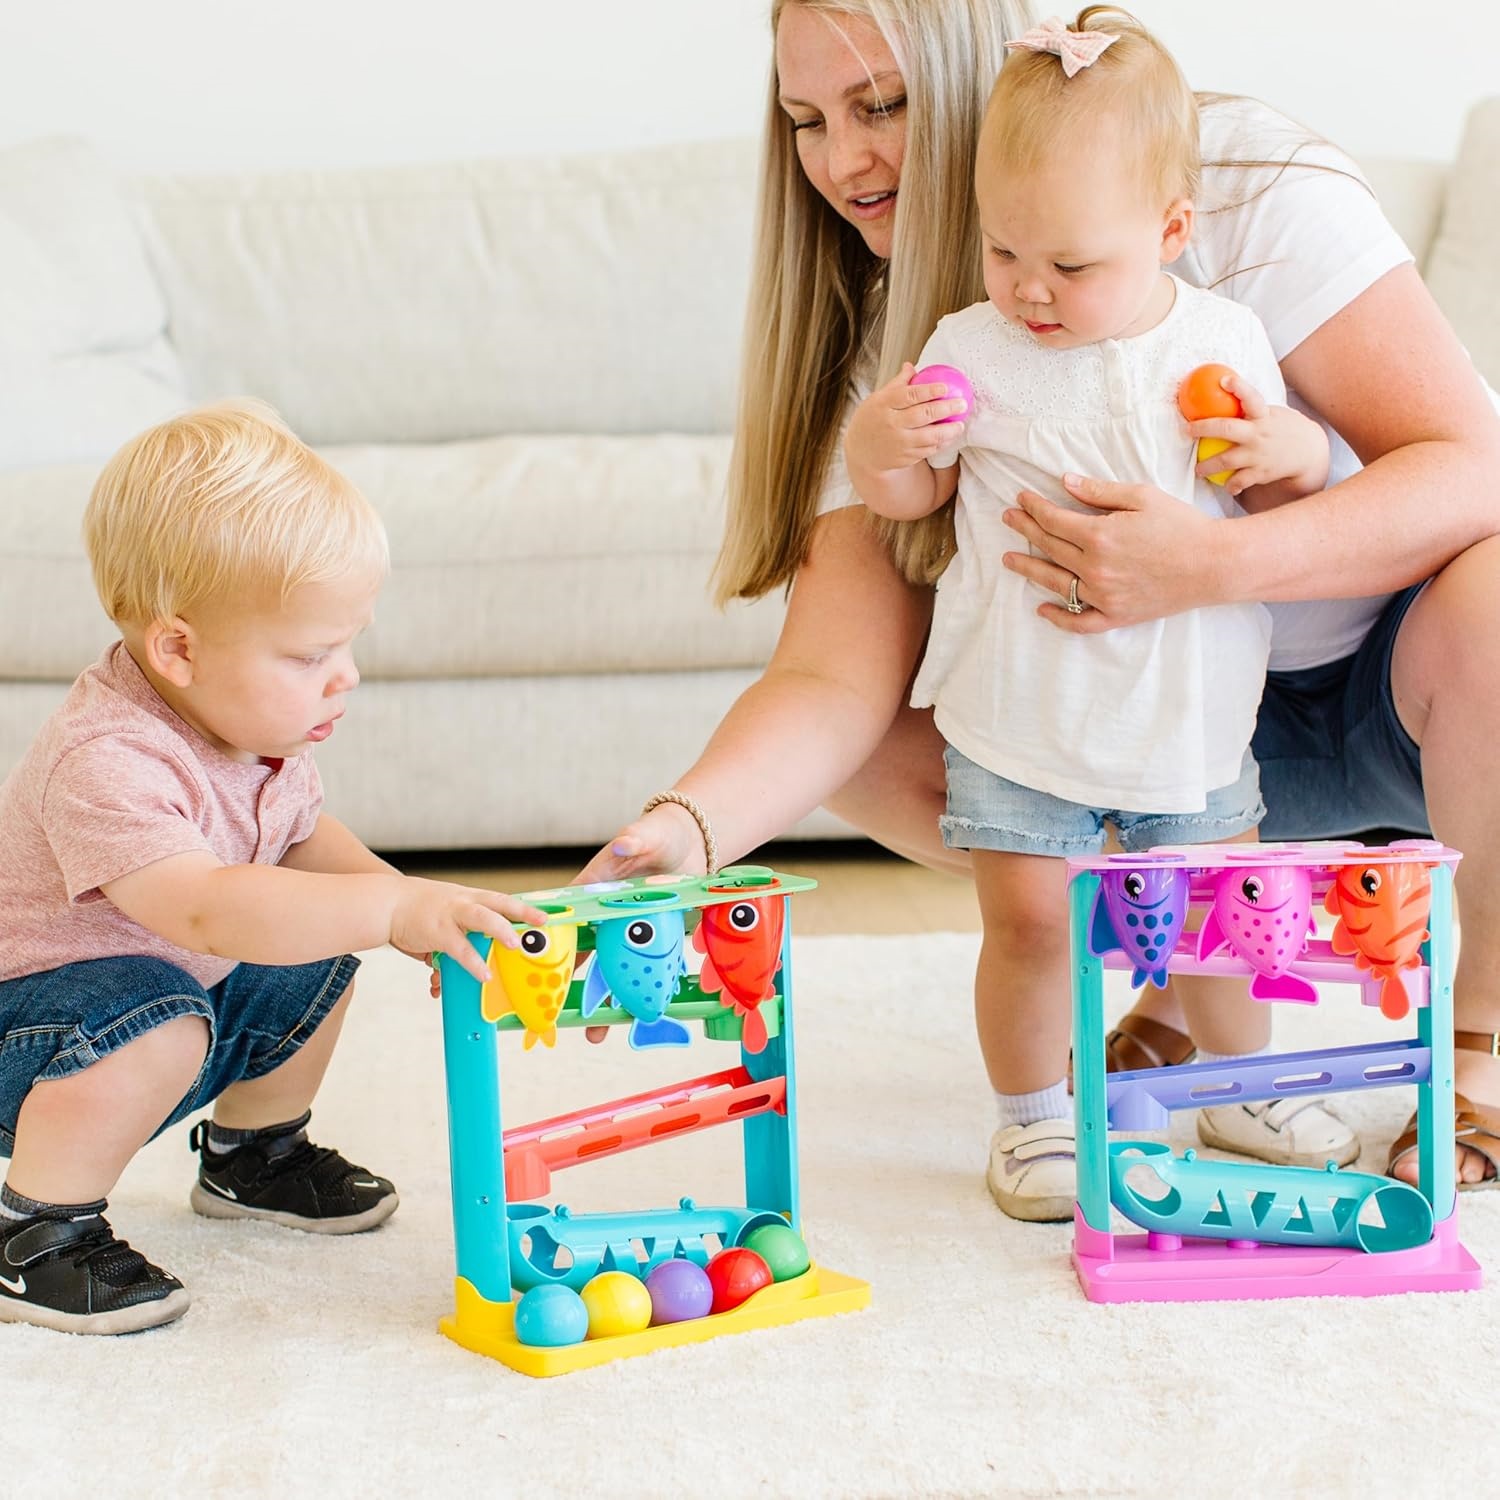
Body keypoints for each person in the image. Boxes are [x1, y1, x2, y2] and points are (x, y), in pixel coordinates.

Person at [582, 0, 1500, 1199]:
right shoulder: (934, 343)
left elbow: (1471, 470)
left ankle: (1484, 1033)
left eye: (884, 106)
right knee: (865, 753)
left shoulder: (1238, 192)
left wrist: (1209, 560)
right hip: (1137, 728)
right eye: (806, 119)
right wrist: (684, 835)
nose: (842, 162)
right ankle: (1072, 1063)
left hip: (1384, 697)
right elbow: (828, 680)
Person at [841, 12, 1339, 1219]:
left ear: (1170, 231)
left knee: (1225, 919)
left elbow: (1277, 495)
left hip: (1187, 709)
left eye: (1070, 265)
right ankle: (1032, 1117)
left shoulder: (1222, 340)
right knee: (1025, 924)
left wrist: (1297, 450)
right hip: (1024, 709)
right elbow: (916, 494)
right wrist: (882, 448)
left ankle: (1239, 1084)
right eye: (1005, 251)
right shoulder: (972, 345)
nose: (1029, 289)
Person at [0, 403, 546, 1335]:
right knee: (167, 1019)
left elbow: (300, 843)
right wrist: (385, 909)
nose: (347, 677)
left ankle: (254, 1155)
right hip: (39, 1030)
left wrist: (419, 907)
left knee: (325, 943)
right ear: (178, 648)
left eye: (347, 643)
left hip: (165, 997)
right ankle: (36, 1229)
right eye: (310, 654)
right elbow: (207, 910)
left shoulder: (256, 729)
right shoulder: (105, 758)